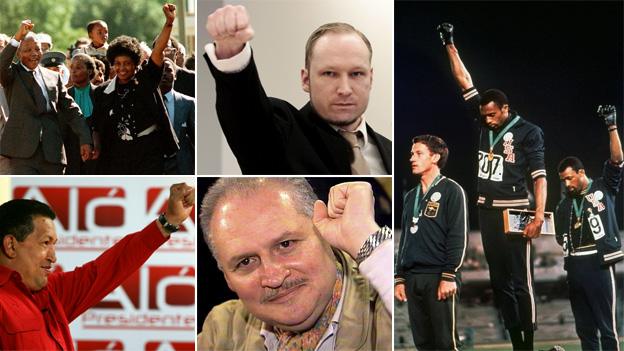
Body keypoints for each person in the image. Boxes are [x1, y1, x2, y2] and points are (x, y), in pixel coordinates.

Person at [438, 23, 547, 350]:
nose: (485, 120)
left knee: (521, 282)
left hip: (517, 211)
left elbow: (540, 177)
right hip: (486, 211)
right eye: (482, 115)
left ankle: (528, 343)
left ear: (505, 109)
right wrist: (449, 44)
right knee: (500, 283)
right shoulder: (484, 118)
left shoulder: (530, 132)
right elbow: (464, 82)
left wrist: (538, 216)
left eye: (490, 115)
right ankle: (516, 342)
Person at [197, 178, 392, 350]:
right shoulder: (222, 329)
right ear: (227, 279)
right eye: (246, 262)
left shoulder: (386, 306)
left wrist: (367, 240)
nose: (273, 278)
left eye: (285, 245)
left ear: (324, 232)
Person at [0, 182, 194, 349]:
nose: (53, 257)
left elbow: (111, 266)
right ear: (10, 245)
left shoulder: (53, 292)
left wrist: (169, 221)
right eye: (45, 243)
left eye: (54, 244)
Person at [204, 5, 391, 175]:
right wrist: (232, 53)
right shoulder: (280, 133)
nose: (344, 89)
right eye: (329, 73)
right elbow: (248, 116)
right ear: (306, 79)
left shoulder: (391, 151)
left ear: (371, 78)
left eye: (356, 74)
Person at [555, 105, 623, 351]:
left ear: (581, 172)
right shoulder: (563, 205)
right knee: (584, 330)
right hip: (574, 267)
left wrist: (611, 126)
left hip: (598, 263)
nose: (567, 183)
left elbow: (617, 161)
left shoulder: (603, 187)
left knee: (607, 328)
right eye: (563, 179)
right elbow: (560, 236)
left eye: (570, 178)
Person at [395, 135, 468, 350]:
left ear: (435, 157)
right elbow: (405, 239)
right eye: (411, 154)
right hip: (412, 277)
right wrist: (399, 277)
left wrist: (449, 275)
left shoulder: (452, 190)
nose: (412, 158)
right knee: (423, 344)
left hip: (439, 277)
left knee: (446, 343)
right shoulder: (410, 197)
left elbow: (458, 236)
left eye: (418, 154)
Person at [92, 3, 179, 174]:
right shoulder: (102, 91)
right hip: (116, 154)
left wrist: (169, 23)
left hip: (149, 151)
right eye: (117, 64)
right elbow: (96, 125)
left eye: (127, 64)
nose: (122, 68)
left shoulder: (146, 79)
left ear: (135, 64)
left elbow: (158, 51)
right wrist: (96, 146)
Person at [0, 20, 92, 174]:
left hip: (53, 153)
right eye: (28, 50)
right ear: (18, 53)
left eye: (37, 49)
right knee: (26, 198)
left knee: (52, 198)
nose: (34, 53)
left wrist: (85, 139)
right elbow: (1, 65)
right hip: (22, 154)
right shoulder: (11, 75)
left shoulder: (53, 77)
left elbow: (71, 110)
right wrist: (16, 38)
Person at [160, 57, 194, 175]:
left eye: (168, 70)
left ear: (175, 75)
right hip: (154, 168)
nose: (164, 74)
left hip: (182, 167)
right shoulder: (145, 102)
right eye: (161, 70)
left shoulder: (188, 103)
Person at [65, 53, 98, 174]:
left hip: (95, 154)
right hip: (70, 154)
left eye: (78, 68)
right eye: (71, 68)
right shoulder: (64, 95)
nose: (73, 71)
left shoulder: (100, 94)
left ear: (89, 71)